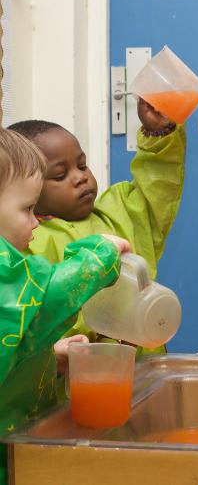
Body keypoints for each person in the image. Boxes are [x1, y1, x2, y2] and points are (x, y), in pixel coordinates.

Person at [0, 128, 130, 485]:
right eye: (27, 209)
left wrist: (45, 353)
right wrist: (98, 257)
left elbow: (15, 334)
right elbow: (46, 299)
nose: (34, 222)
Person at [9, 98, 185, 354]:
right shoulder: (23, 241)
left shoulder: (122, 212)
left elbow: (157, 185)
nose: (80, 177)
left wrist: (159, 134)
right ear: (28, 189)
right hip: (73, 385)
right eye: (60, 175)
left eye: (82, 165)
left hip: (146, 375)